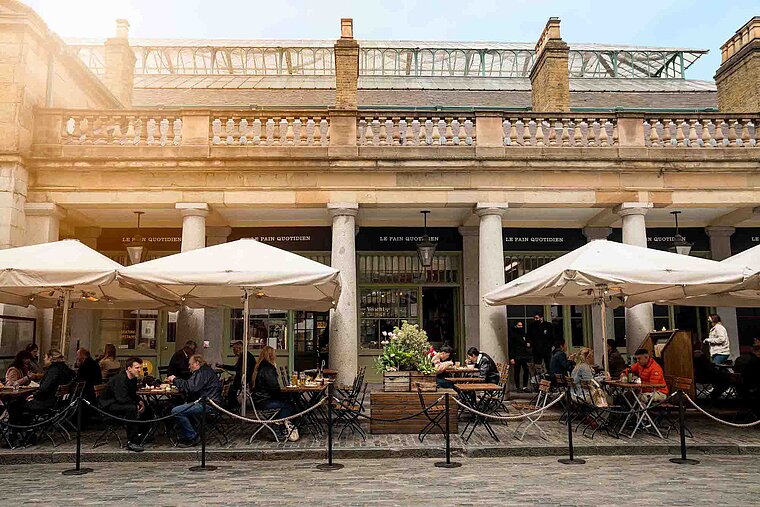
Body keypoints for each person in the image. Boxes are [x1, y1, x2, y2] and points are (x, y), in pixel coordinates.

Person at [168, 353, 222, 447]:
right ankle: (188, 432)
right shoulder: (206, 371)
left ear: (197, 363)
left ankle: (192, 437)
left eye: (190, 364)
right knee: (178, 407)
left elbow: (190, 387)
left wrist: (175, 379)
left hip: (207, 405)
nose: (189, 367)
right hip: (210, 402)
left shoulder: (201, 373)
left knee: (176, 411)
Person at [10, 350, 74, 425]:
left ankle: (18, 431)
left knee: (14, 403)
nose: (44, 359)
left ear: (50, 358)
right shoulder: (65, 369)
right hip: (59, 402)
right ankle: (27, 429)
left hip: (47, 403)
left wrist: (34, 396)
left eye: (45, 357)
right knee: (21, 403)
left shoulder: (53, 370)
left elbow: (44, 389)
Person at [250, 346, 299, 442]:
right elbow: (273, 388)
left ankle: (282, 422)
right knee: (289, 405)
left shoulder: (260, 367)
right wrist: (283, 397)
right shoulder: (268, 369)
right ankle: (280, 424)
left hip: (260, 399)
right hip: (264, 401)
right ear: (271, 356)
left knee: (290, 401)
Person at [99, 357, 146, 453]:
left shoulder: (132, 378)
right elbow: (121, 398)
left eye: (140, 367)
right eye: (137, 368)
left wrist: (140, 401)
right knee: (132, 409)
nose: (139, 370)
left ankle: (142, 434)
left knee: (147, 408)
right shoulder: (121, 379)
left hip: (118, 402)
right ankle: (132, 441)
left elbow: (132, 394)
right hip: (109, 405)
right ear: (129, 368)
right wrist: (135, 404)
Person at [216, 340, 255, 409]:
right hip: (245, 378)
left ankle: (231, 406)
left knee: (231, 388)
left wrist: (223, 366)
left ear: (239, 349)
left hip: (244, 379)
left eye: (234, 349)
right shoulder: (245, 356)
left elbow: (236, 368)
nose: (233, 351)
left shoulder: (245, 357)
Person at [509, 321, 532, 391]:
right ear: (516, 326)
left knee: (526, 370)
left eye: (521, 325)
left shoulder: (524, 334)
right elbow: (511, 346)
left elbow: (527, 342)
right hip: (517, 355)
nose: (520, 327)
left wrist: (528, 344)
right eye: (519, 325)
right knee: (517, 371)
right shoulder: (513, 335)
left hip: (524, 355)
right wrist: (512, 357)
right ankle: (517, 387)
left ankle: (525, 386)